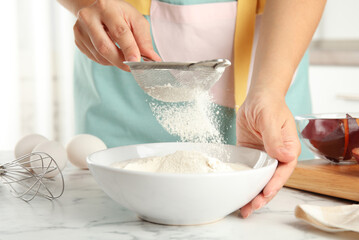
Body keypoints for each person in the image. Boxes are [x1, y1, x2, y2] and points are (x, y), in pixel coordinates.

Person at [57, 0, 326, 218]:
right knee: (112, 195)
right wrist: (91, 4)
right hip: (120, 75)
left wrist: (269, 91)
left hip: (271, 66)